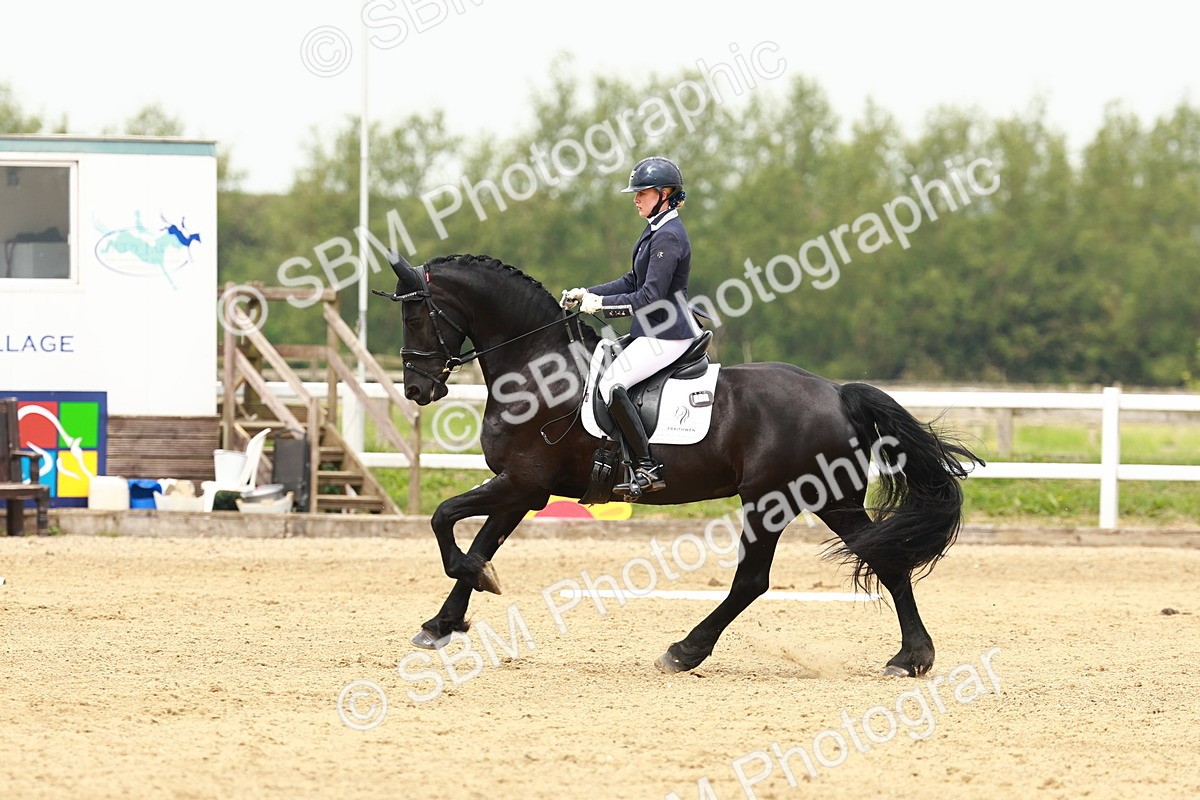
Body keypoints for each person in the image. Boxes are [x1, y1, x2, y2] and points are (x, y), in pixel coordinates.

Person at [561, 156, 702, 497]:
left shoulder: (668, 236)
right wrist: (589, 293)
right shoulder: (656, 228)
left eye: (643, 192)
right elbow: (631, 280)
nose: (636, 198)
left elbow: (650, 295)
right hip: (652, 330)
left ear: (665, 194)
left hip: (668, 332)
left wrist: (604, 307)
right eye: (636, 192)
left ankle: (647, 467)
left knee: (613, 383)